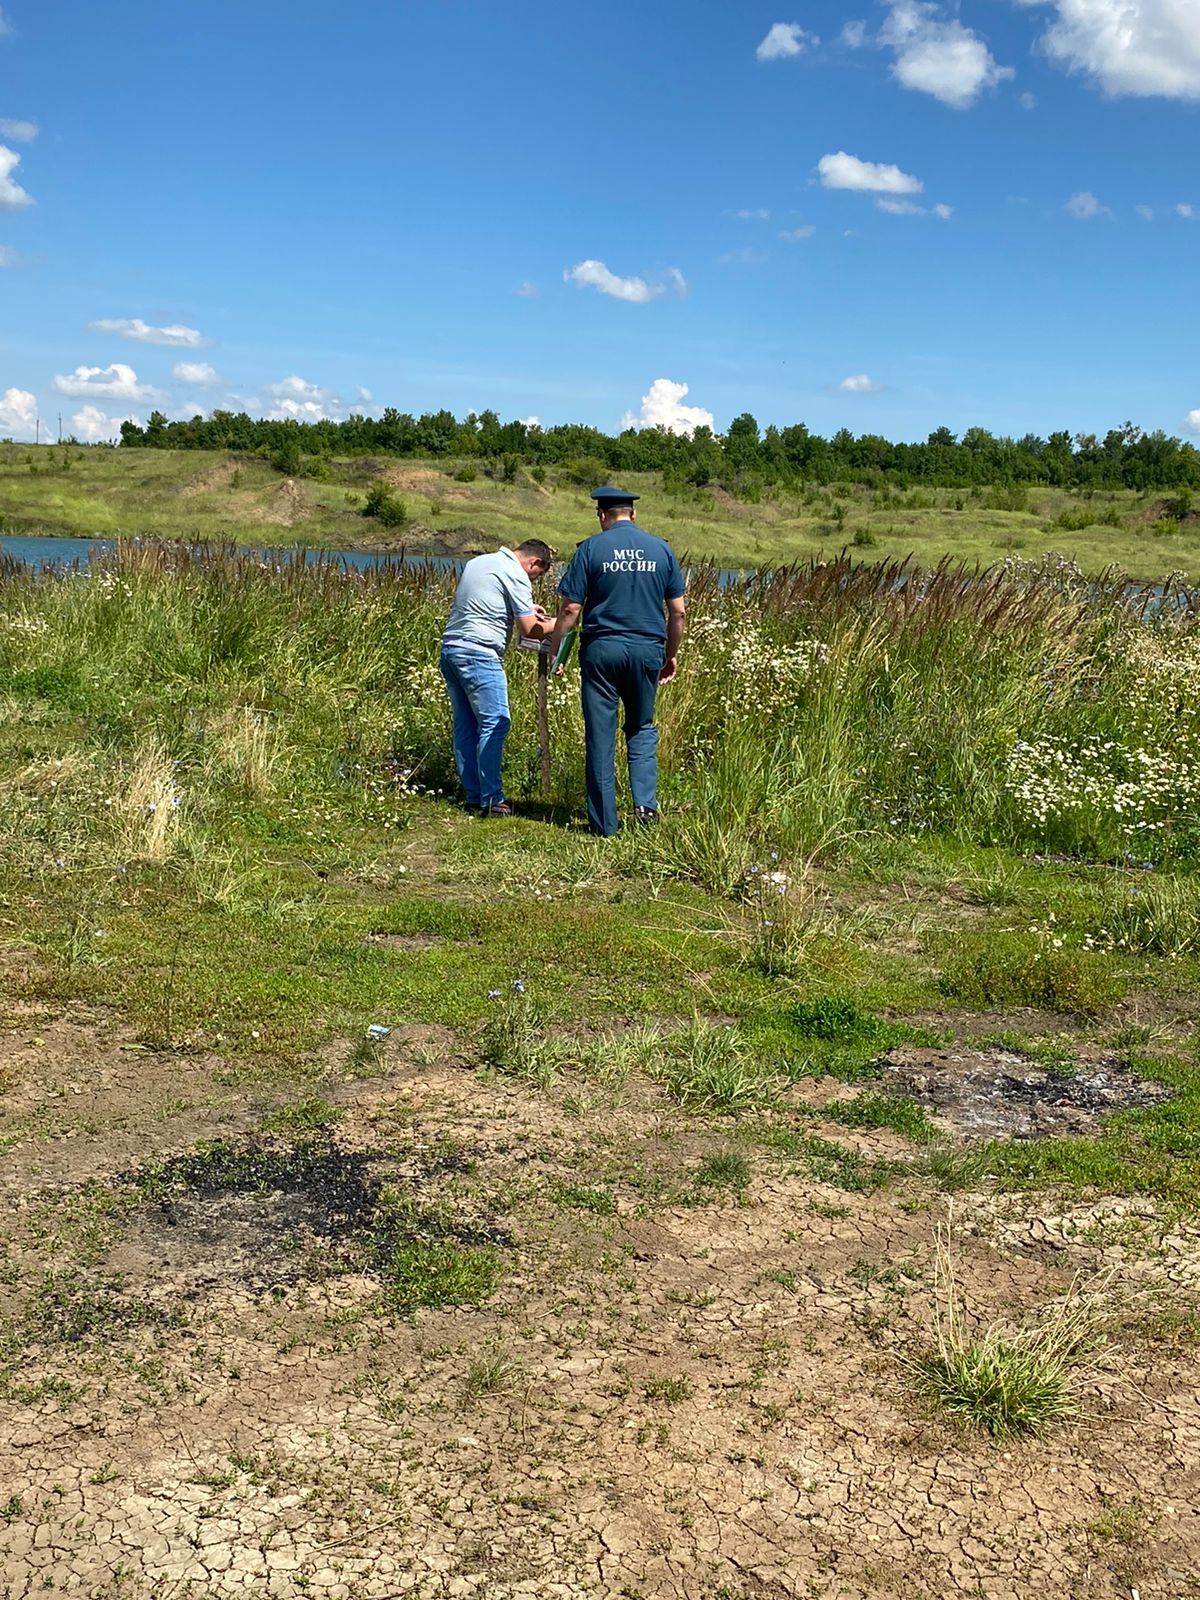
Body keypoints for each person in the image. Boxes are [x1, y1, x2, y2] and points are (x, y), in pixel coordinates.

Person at [546, 486, 685, 837]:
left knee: (600, 735)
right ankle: (645, 811)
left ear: (601, 515)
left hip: (602, 650)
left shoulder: (591, 548)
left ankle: (605, 824)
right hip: (647, 650)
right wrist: (670, 655)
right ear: (633, 514)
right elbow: (678, 613)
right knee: (641, 727)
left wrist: (556, 650)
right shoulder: (662, 550)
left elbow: (571, 608)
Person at [439, 539, 555, 816]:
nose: (533, 580)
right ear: (533, 563)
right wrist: (560, 623)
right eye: (536, 576)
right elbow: (530, 630)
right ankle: (492, 799)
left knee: (466, 725)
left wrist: (527, 607)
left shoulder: (481, 562)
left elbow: (487, 602)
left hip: (452, 648)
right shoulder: (516, 574)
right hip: (479, 654)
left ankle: (474, 794)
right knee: (496, 723)